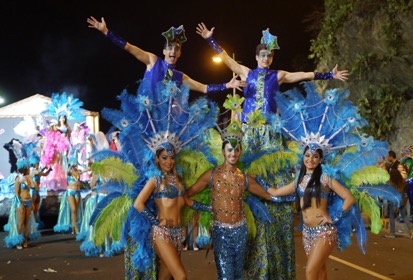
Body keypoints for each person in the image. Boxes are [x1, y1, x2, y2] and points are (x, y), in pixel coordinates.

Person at [196, 22, 349, 124]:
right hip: (248, 125)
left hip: (269, 127)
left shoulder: (278, 75)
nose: (266, 58)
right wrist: (210, 40)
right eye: (263, 55)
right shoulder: (246, 73)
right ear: (256, 57)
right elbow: (226, 58)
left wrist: (329, 75)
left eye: (270, 55)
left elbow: (303, 74)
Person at [184, 121, 277, 280]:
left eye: (236, 150)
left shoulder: (245, 179)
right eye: (229, 150)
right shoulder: (211, 175)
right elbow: (186, 195)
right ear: (223, 151)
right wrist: (206, 208)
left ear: (240, 152)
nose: (233, 153)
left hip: (241, 231)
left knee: (237, 275)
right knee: (226, 276)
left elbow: (269, 195)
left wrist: (296, 189)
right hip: (221, 232)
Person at [87, 17, 246, 95]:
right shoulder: (152, 60)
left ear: (180, 53)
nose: (173, 52)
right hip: (145, 116)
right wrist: (107, 32)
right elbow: (128, 47)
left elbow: (203, 88)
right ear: (164, 51)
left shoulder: (180, 77)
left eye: (176, 49)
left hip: (165, 124)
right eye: (170, 48)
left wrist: (227, 85)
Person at [267, 145, 355, 280]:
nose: (310, 159)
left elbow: (349, 198)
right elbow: (276, 192)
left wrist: (335, 218)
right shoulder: (299, 179)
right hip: (307, 232)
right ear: (303, 157)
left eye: (315, 156)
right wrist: (257, 180)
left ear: (320, 159)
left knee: (310, 272)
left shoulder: (325, 178)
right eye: (307, 155)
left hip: (324, 231)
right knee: (320, 271)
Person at [133, 144, 188, 280]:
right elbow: (138, 204)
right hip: (161, 233)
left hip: (178, 233)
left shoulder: (179, 181)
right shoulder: (155, 181)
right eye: (164, 158)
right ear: (157, 159)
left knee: (165, 275)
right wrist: (156, 221)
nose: (168, 162)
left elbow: (184, 204)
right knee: (181, 276)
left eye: (172, 158)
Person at [4, 158, 40, 249]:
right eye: (27, 167)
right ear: (24, 168)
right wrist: (19, 204)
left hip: (28, 202)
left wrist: (31, 182)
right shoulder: (18, 179)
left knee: (26, 223)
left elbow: (35, 187)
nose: (29, 169)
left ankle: (26, 241)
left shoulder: (28, 178)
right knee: (20, 223)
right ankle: (18, 242)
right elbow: (16, 194)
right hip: (20, 203)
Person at [385, 167, 413, 239]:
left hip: (394, 200)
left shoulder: (391, 182)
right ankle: (411, 230)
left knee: (392, 216)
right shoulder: (402, 182)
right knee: (404, 216)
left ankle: (392, 232)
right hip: (402, 200)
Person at [399, 145, 413, 223]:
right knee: (403, 198)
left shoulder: (407, 160)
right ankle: (402, 215)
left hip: (410, 182)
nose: (405, 153)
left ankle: (410, 215)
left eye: (407, 151)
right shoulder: (403, 160)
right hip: (405, 181)